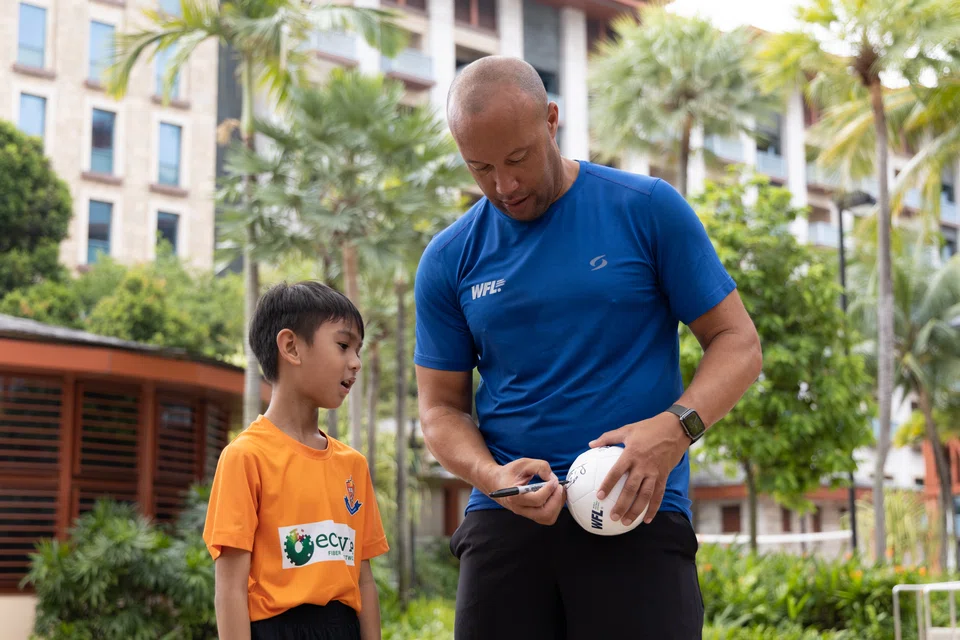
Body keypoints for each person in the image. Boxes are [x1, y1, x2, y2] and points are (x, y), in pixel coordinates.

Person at [413, 56, 763, 639]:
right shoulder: (449, 259)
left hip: (637, 511)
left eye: (518, 158)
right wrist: (490, 476)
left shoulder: (647, 208)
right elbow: (441, 409)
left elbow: (739, 343)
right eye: (482, 168)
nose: (505, 186)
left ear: (552, 120)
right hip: (507, 519)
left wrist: (676, 430)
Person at [203, 281, 389, 640]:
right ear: (291, 347)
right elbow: (229, 589)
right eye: (343, 345)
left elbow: (364, 581)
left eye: (358, 350)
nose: (356, 362)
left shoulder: (353, 465)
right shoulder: (245, 457)